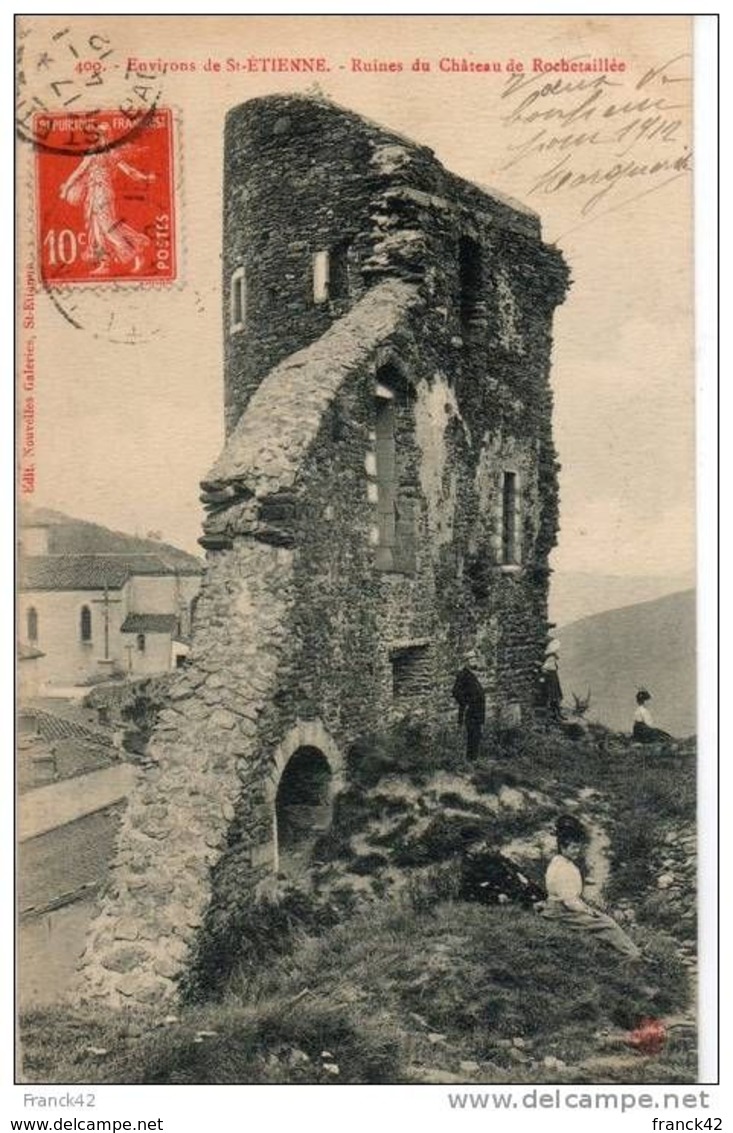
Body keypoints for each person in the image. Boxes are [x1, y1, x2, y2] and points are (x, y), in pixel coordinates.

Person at [541, 814, 642, 959]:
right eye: (573, 848)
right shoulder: (563, 868)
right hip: (562, 912)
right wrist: (588, 911)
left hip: (558, 907)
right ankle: (633, 955)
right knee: (608, 923)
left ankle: (627, 950)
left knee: (601, 919)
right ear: (563, 847)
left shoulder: (559, 862)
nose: (577, 851)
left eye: (578, 848)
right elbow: (570, 902)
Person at [58, 125, 156, 275]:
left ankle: (135, 253)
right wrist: (66, 188)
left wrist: (145, 178)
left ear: (105, 136)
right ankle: (105, 263)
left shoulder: (111, 153)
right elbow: (79, 171)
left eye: (99, 135)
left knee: (107, 226)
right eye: (95, 135)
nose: (95, 138)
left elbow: (128, 170)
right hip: (93, 194)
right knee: (96, 229)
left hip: (103, 193)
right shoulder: (93, 153)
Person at [452, 651, 486, 760]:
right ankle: (469, 760)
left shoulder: (473, 674)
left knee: (477, 734)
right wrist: (466, 702)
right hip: (470, 710)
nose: (473, 661)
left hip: (477, 710)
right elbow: (455, 691)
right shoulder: (463, 675)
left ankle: (474, 759)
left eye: (474, 659)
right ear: (466, 662)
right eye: (471, 659)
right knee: (471, 734)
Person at [539, 638, 563, 721]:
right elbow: (544, 666)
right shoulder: (546, 656)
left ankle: (558, 713)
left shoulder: (551, 655)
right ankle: (555, 714)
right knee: (553, 695)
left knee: (556, 694)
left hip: (553, 673)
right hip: (549, 674)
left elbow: (556, 661)